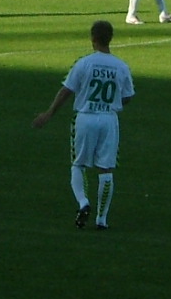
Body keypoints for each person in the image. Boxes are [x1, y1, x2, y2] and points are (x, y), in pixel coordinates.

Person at [31, 20, 134, 230]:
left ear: (92, 38)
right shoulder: (121, 66)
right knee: (106, 169)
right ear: (111, 38)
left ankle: (83, 202)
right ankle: (101, 220)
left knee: (79, 164)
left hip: (85, 118)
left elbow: (66, 90)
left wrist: (49, 113)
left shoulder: (84, 63)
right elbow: (128, 96)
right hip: (109, 119)